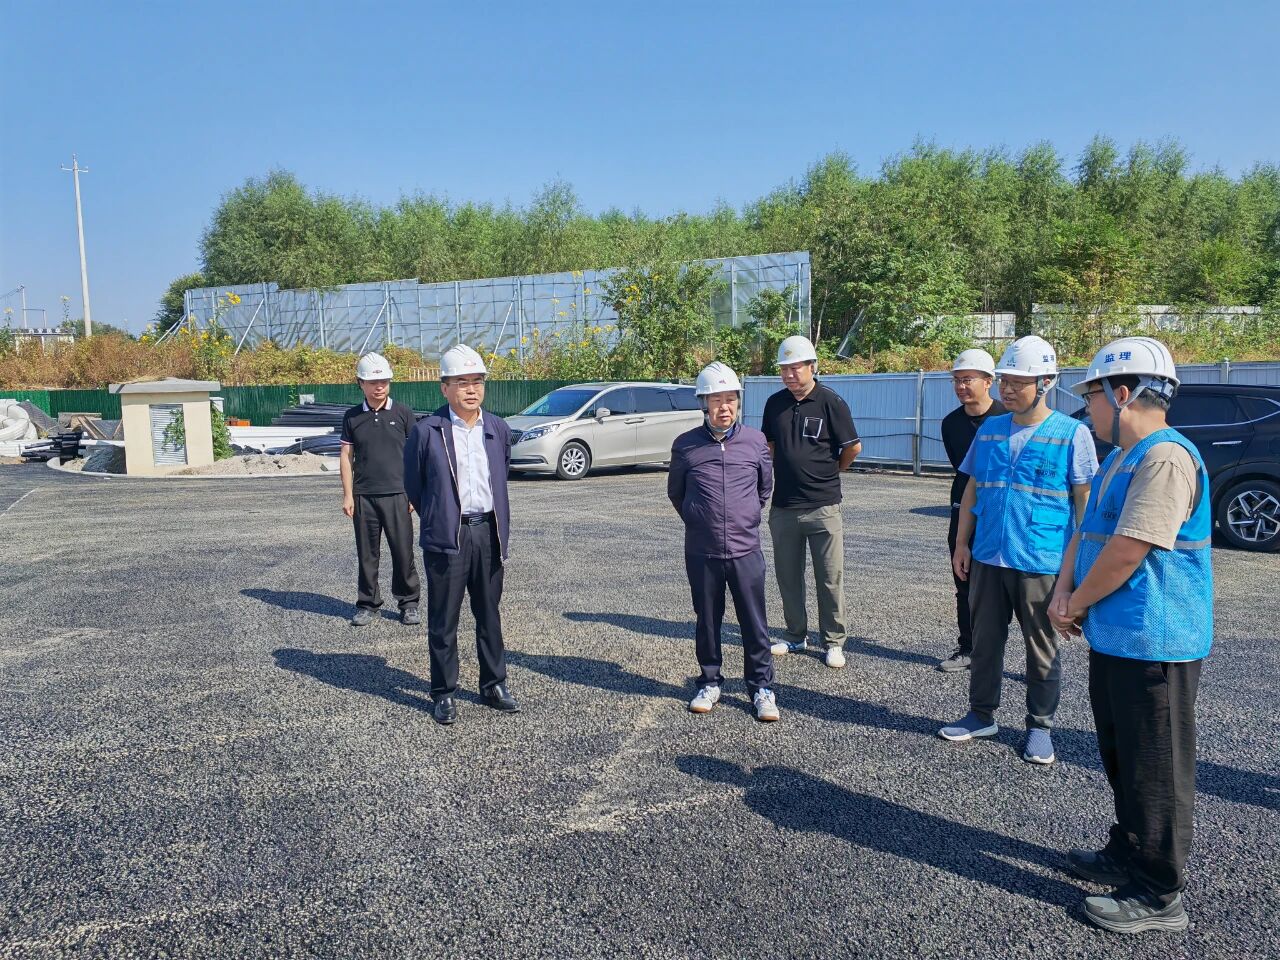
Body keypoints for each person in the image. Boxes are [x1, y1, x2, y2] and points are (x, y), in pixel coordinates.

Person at [1049, 337, 1212, 934]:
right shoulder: (1122, 457)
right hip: (1118, 635)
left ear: (1122, 394)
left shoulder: (1164, 458)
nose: (1087, 409)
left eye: (1091, 396)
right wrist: (1063, 592)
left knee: (1156, 769)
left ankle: (1159, 891)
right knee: (1123, 756)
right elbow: (1085, 532)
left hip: (1156, 640)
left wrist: (1075, 602)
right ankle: (1128, 848)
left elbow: (1129, 548)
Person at [939, 335, 1097, 765]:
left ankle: (1040, 726)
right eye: (1004, 381)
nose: (1006, 389)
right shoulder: (990, 430)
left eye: (1017, 382)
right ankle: (981, 715)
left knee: (1041, 647)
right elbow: (973, 489)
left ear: (1045, 383)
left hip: (1041, 561)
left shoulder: (1072, 434)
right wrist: (962, 543)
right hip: (989, 555)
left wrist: (1078, 570)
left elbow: (1084, 507)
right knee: (985, 641)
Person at [403, 344, 518, 726]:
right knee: (443, 619)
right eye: (462, 382)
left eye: (477, 381)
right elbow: (414, 485)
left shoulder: (497, 429)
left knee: (489, 614)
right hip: (447, 538)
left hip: (488, 533)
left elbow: (501, 474)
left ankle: (494, 684)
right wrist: (440, 516)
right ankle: (444, 693)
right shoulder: (427, 432)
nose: (471, 389)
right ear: (445, 387)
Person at [668, 362, 779, 722]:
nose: (724, 407)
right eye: (716, 400)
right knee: (707, 621)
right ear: (704, 404)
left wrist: (743, 519)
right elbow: (676, 494)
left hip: (746, 550)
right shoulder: (685, 445)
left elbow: (764, 489)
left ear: (738, 402)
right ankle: (709, 682)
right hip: (703, 551)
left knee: (754, 622)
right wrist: (701, 520)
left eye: (730, 399)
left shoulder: (755, 441)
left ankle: (761, 688)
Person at [762, 335, 862, 669]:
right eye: (784, 368)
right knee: (788, 577)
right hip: (784, 507)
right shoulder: (774, 404)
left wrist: (832, 471)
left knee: (829, 578)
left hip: (823, 506)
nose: (790, 374)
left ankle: (833, 641)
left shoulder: (831, 402)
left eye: (796, 367)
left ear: (812, 367)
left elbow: (853, 448)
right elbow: (770, 446)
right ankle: (795, 635)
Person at [339, 351, 421, 627]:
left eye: (384, 381)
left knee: (403, 552)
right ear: (360, 383)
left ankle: (408, 603)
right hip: (364, 496)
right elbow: (346, 456)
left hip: (398, 494)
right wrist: (348, 495)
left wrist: (414, 491)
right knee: (367, 554)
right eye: (373, 382)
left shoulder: (403, 413)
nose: (379, 387)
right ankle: (367, 604)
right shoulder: (351, 417)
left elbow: (416, 455)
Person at [937, 349, 1007, 671]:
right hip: (963, 508)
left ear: (988, 381)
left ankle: (1032, 661)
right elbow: (963, 471)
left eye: (967, 379)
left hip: (1002, 512)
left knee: (1013, 586)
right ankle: (968, 648)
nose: (960, 386)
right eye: (956, 380)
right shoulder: (951, 424)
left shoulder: (1007, 417)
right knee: (963, 579)